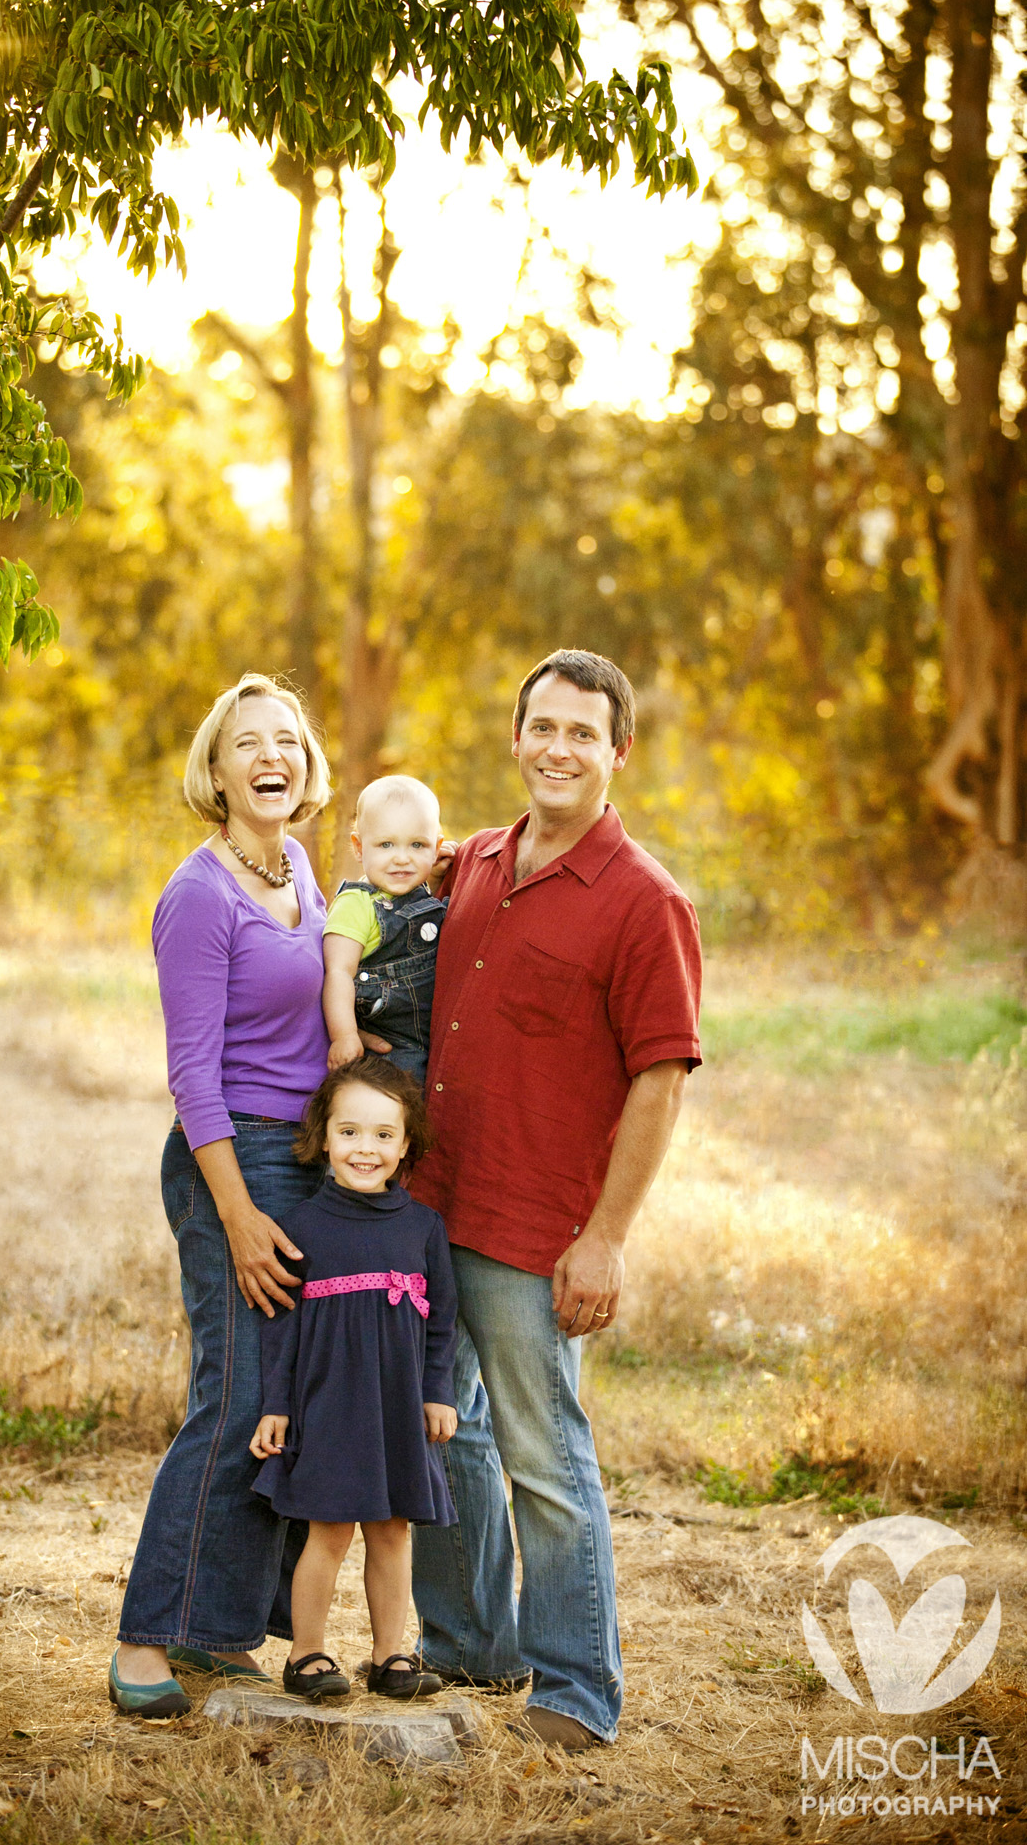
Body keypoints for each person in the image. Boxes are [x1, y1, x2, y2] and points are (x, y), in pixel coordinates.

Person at [408, 648, 702, 1750]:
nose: (559, 749)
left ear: (619, 750)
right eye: (543, 726)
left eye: (583, 732)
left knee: (544, 1458)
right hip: (429, 1204)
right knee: (441, 1433)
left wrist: (606, 1239)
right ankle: (469, 1644)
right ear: (515, 736)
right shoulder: (476, 861)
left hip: (534, 1231)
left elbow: (660, 1079)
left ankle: (576, 1692)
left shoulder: (645, 901)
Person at [110, 673, 333, 1720]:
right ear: (216, 770)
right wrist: (238, 1215)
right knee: (236, 1398)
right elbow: (192, 1077)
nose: (268, 755)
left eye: (285, 738)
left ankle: (217, 1628)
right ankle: (145, 1639)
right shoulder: (199, 894)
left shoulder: (298, 869)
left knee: (284, 1406)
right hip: (229, 1164)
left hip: (305, 1161)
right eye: (246, 742)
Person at [250, 1054, 458, 1700]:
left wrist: (437, 1393)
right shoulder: (301, 1228)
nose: (365, 1148)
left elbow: (442, 1324)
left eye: (382, 1134)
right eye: (349, 1132)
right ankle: (306, 1655)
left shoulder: (423, 1228)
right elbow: (280, 1328)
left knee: (392, 1531)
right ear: (323, 1138)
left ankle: (390, 1656)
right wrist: (277, 1405)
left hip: (396, 1408)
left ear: (405, 1144)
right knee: (329, 1532)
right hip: (331, 1406)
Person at [321, 775, 448, 1085]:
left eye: (417, 845)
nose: (402, 858)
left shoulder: (422, 890)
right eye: (386, 844)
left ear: (436, 848)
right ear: (359, 847)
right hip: (388, 1049)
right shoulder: (356, 904)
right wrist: (344, 1035)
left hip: (435, 1041)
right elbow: (338, 972)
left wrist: (436, 877)